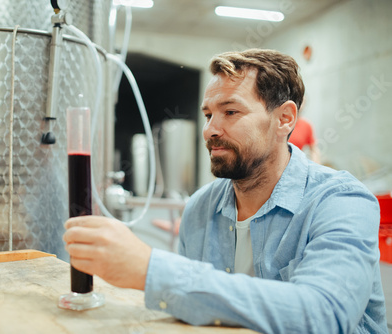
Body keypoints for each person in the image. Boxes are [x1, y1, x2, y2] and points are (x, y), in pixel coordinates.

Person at [63, 49, 387, 333]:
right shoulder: (200, 207)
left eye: (231, 112)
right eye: (208, 115)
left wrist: (150, 269)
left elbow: (325, 315)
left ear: (284, 118)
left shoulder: (342, 202)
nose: (210, 130)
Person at [288, 99, 321, 163]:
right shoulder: (279, 123)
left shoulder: (306, 125)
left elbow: (314, 150)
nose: (300, 105)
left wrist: (316, 165)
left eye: (302, 102)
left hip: (296, 165)